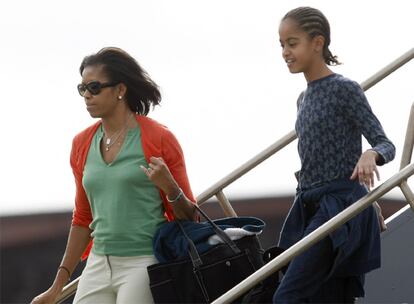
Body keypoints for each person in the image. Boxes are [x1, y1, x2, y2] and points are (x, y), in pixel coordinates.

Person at [31, 47, 197, 304]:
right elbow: (83, 217)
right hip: (97, 264)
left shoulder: (159, 138)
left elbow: (190, 216)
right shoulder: (81, 143)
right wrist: (57, 286)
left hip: (142, 263)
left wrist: (170, 187)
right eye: (82, 88)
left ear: (120, 90)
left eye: (94, 87)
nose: (86, 95)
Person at [274, 7, 395, 303]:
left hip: (338, 208)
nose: (285, 52)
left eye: (292, 43)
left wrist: (370, 155)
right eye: (282, 45)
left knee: (286, 298)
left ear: (318, 43)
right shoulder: (303, 98)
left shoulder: (345, 89)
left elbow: (385, 144)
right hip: (308, 206)